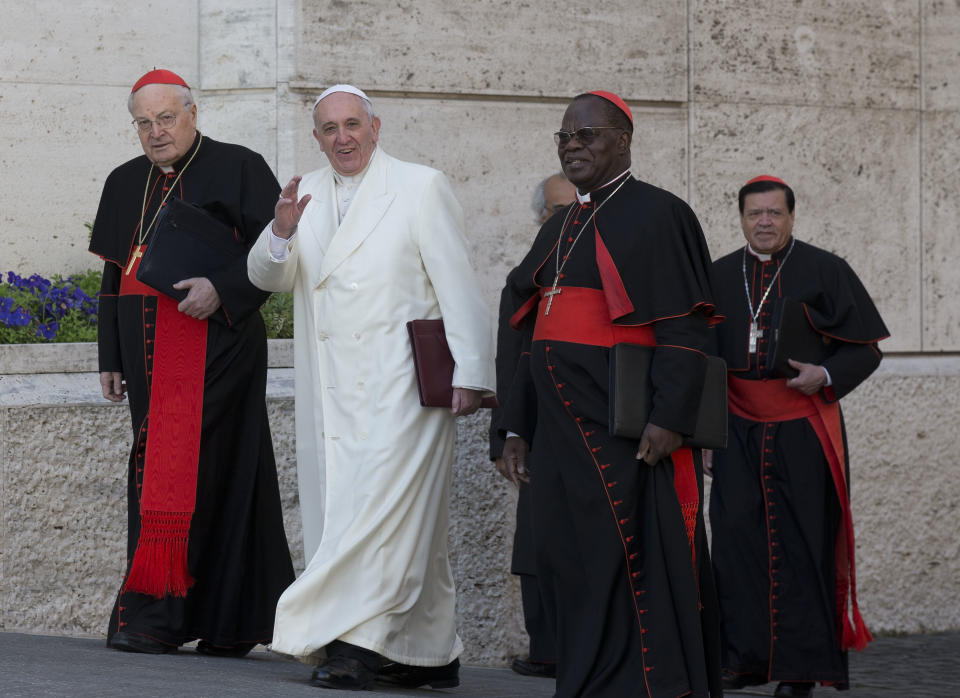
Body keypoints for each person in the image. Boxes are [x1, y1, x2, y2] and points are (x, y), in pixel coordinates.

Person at [247, 84, 495, 691]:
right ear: (316, 138)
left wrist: (472, 374)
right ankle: (429, 652)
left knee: (380, 519)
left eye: (352, 125)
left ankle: (353, 646)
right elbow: (266, 277)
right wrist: (280, 231)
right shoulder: (300, 193)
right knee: (389, 523)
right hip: (331, 392)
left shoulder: (420, 186)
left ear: (375, 128)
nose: (343, 138)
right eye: (329, 129)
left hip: (401, 389)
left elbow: (456, 282)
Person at [499, 91, 723, 698]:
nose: (573, 144)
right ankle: (584, 682)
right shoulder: (566, 221)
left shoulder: (659, 213)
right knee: (571, 567)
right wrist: (514, 428)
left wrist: (670, 416)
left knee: (627, 563)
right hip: (560, 434)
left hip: (623, 430)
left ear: (623, 140)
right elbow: (528, 328)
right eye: (564, 136)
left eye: (587, 135)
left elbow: (685, 325)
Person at [90, 68, 295, 656]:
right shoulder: (123, 180)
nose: (156, 132)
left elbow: (276, 255)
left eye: (166, 118)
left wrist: (224, 289)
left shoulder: (239, 166)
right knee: (158, 468)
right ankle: (179, 613)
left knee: (212, 470)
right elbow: (113, 274)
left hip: (219, 347)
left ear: (192, 112)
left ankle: (180, 619)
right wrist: (109, 352)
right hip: (144, 350)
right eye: (143, 123)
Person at [707, 175, 889, 698]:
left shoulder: (825, 269)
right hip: (737, 430)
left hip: (804, 430)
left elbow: (867, 349)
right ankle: (743, 659)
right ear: (740, 218)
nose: (764, 221)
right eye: (754, 214)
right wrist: (706, 435)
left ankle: (802, 670)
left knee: (803, 545)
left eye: (774, 213)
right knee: (736, 545)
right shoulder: (718, 275)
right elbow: (700, 361)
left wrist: (825, 376)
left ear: (791, 217)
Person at [489, 172, 575, 679]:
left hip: (593, 427)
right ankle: (547, 648)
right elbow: (511, 360)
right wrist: (506, 434)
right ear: (542, 221)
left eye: (574, 211)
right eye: (556, 212)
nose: (565, 221)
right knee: (538, 539)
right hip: (541, 430)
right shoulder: (526, 279)